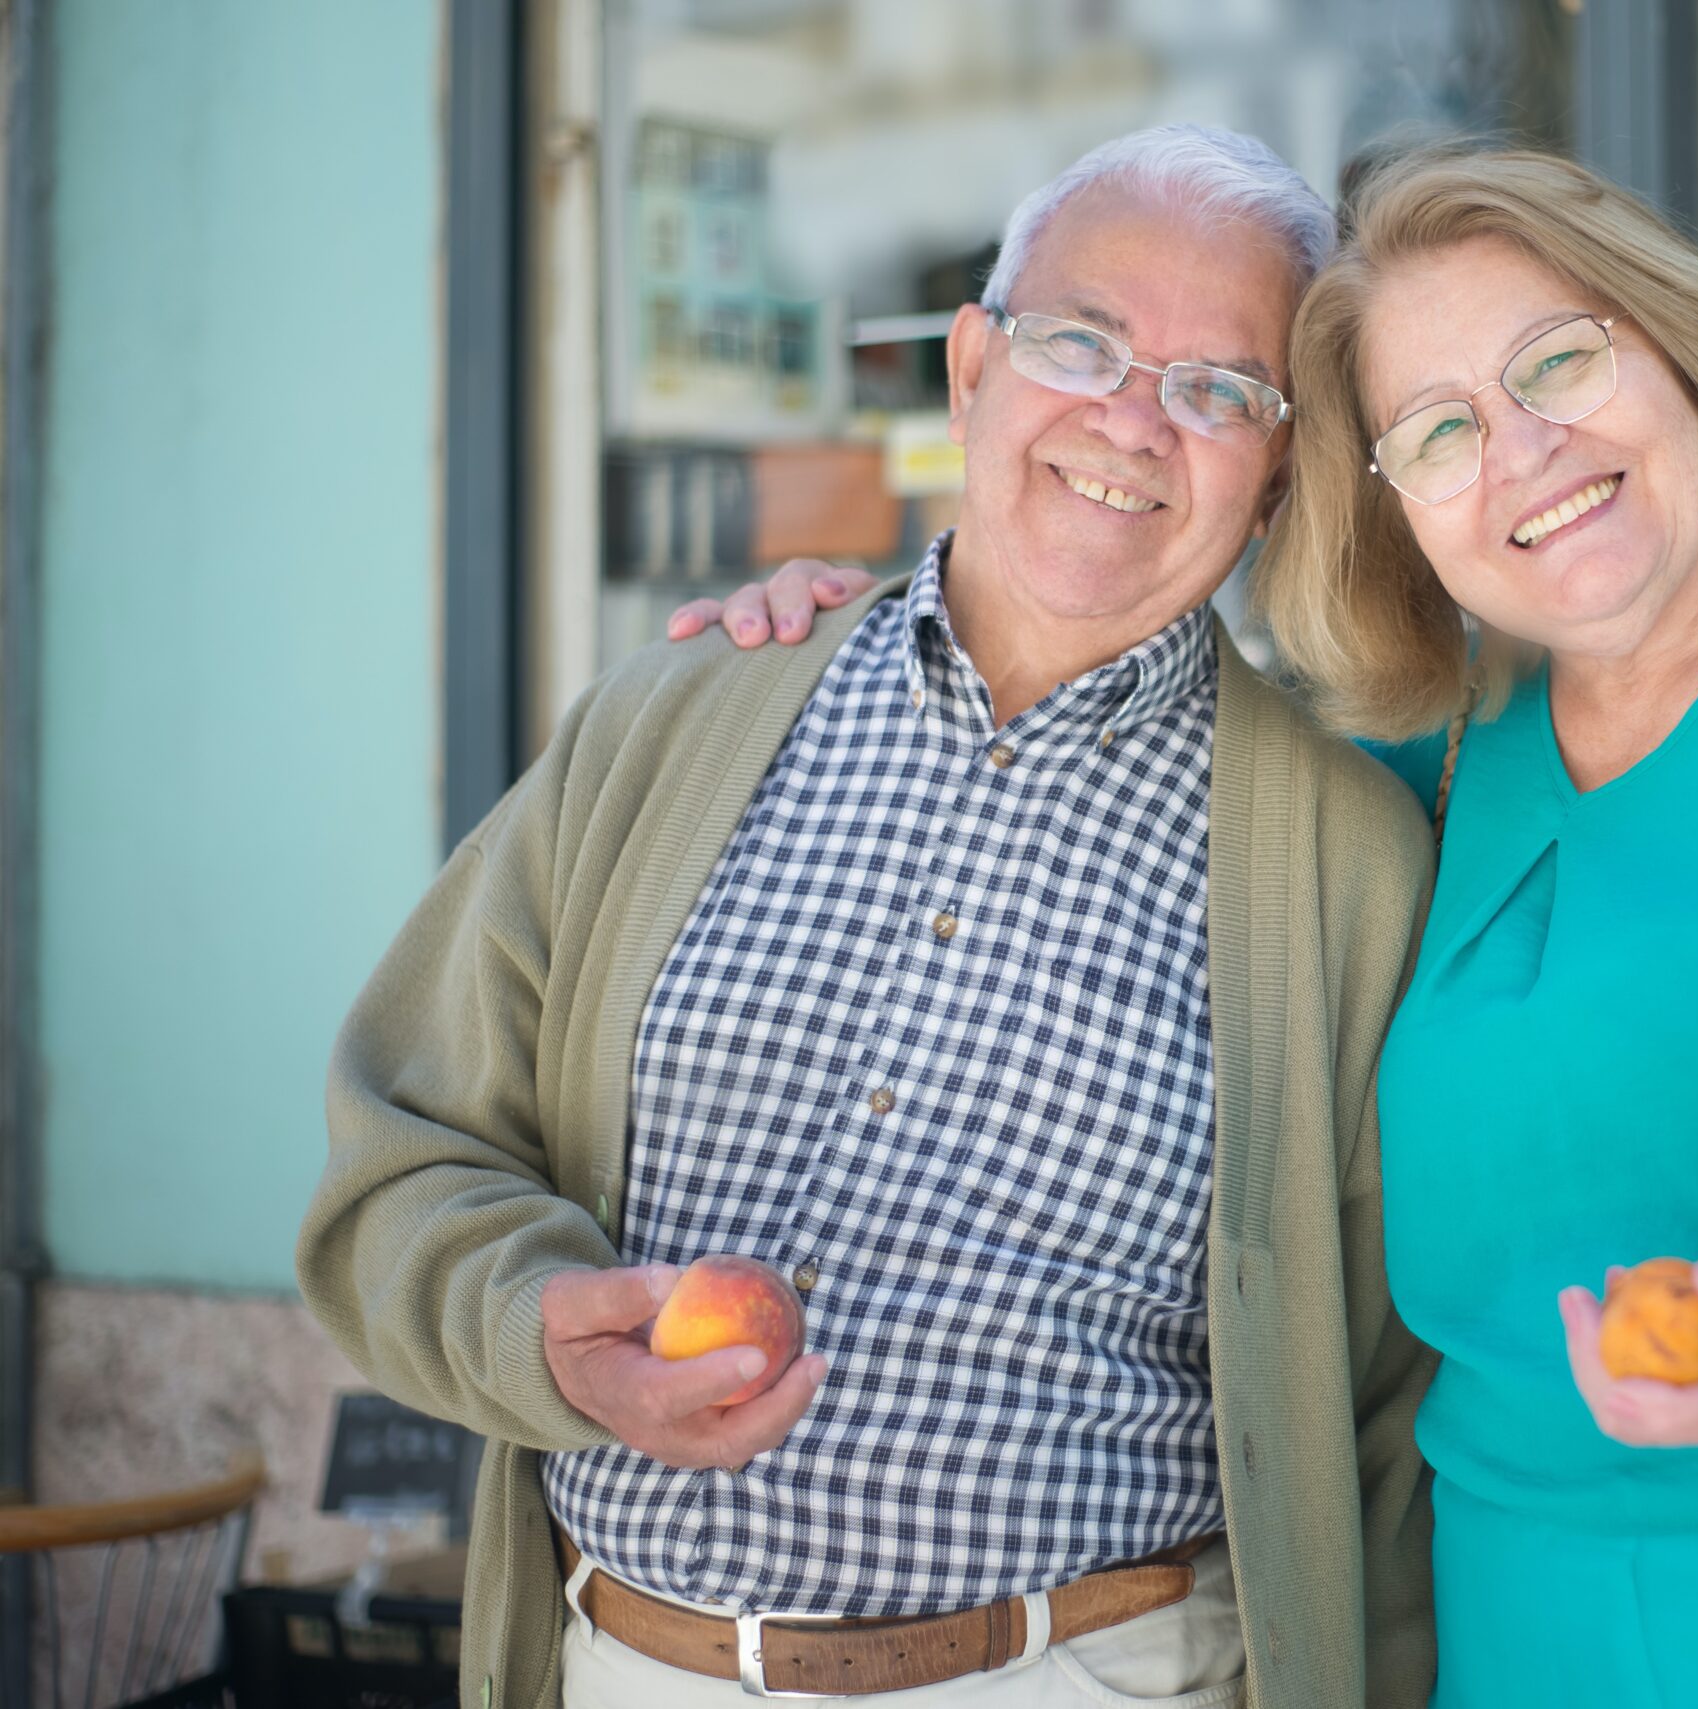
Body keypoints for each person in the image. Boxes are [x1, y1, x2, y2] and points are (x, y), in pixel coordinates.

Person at [706, 140, 1698, 1709]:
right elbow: (1073, 784)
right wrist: (848, 641)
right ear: (1390, 515)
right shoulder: (1416, 772)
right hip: (1530, 1653)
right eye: (1433, 432)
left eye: (1557, 364)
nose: (1521, 454)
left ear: (1676, 344)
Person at [298, 125, 1437, 1709]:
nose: (1131, 419)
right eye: (1079, 341)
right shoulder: (673, 720)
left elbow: (1388, 1411)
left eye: (1219, 390)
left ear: (1282, 471)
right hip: (623, 1667)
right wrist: (534, 1323)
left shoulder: (1352, 863)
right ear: (971, 368)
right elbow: (406, 1151)